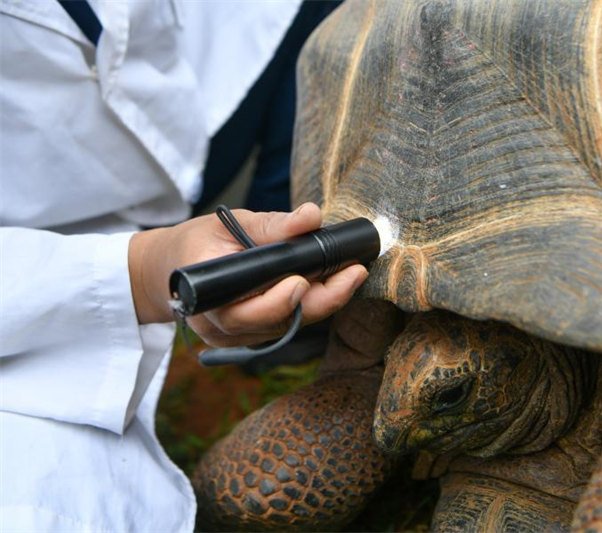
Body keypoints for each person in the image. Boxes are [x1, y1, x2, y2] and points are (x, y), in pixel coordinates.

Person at [0, 1, 358, 531]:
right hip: (41, 231)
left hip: (191, 82)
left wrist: (153, 265)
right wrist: (143, 273)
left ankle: (285, 315)